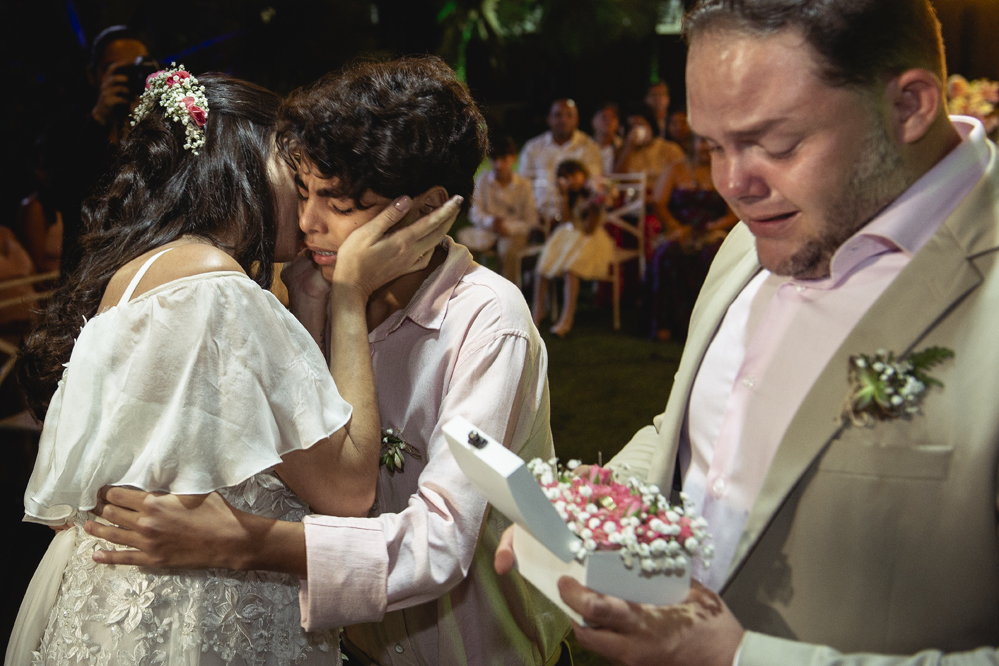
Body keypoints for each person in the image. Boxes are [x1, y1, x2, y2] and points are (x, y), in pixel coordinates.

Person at [498, 0, 999, 663]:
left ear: (908, 107)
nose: (732, 186)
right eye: (712, 145)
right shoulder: (757, 235)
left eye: (776, 143)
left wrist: (736, 658)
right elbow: (697, 432)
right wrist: (593, 508)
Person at [83, 57, 570, 666]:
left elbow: (440, 543)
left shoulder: (486, 322)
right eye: (304, 191)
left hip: (472, 646)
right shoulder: (308, 286)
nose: (307, 223)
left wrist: (241, 541)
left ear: (424, 209)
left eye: (338, 204)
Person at [9, 68, 456, 666]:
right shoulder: (222, 294)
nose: (305, 205)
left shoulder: (140, 276)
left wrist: (312, 300)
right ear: (241, 163)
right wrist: (349, 296)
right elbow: (347, 486)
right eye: (293, 176)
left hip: (110, 610)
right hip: (197, 623)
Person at [46, 25, 153, 280]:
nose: (127, 78)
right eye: (116, 70)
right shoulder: (67, 130)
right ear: (92, 75)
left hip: (144, 269)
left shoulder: (158, 126)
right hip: (86, 273)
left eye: (136, 69)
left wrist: (146, 123)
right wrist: (99, 119)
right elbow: (59, 195)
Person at [647, 135, 737, 340]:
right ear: (693, 143)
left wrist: (713, 226)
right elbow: (659, 203)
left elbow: (733, 213)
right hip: (679, 229)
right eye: (702, 141)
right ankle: (663, 324)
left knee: (713, 257)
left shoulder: (726, 170)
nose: (706, 147)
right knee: (666, 255)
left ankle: (708, 326)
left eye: (712, 143)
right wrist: (674, 226)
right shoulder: (675, 169)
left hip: (713, 230)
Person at [532, 160, 615, 337]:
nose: (571, 180)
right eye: (565, 177)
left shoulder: (593, 194)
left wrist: (593, 206)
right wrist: (564, 196)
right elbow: (566, 222)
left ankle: (566, 319)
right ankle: (537, 313)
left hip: (589, 239)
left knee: (572, 269)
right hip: (569, 236)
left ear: (583, 174)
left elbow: (588, 229)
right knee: (542, 267)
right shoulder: (569, 196)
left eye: (574, 175)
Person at [461, 135, 539, 284]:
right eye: (494, 159)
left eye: (503, 159)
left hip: (514, 233)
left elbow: (530, 220)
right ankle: (473, 289)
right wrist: (492, 222)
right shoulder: (483, 180)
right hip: (487, 230)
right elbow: (475, 211)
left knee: (507, 250)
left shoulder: (523, 185)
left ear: (513, 159)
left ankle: (509, 291)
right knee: (464, 249)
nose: (498, 165)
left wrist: (507, 228)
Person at [519, 99, 604, 226]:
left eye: (569, 115)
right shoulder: (533, 147)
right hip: (538, 218)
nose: (563, 120)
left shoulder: (589, 147)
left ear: (577, 120)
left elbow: (594, 182)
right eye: (558, 115)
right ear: (549, 119)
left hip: (576, 217)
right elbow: (522, 183)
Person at [614, 111, 685, 190]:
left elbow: (682, 179)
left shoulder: (670, 148)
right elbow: (617, 181)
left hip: (663, 199)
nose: (636, 130)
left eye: (641, 125)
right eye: (632, 127)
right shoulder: (624, 152)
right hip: (633, 198)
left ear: (651, 125)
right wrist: (628, 148)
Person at [591, 102, 623, 175]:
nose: (608, 121)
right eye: (604, 117)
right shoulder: (582, 146)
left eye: (612, 117)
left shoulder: (622, 148)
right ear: (593, 121)